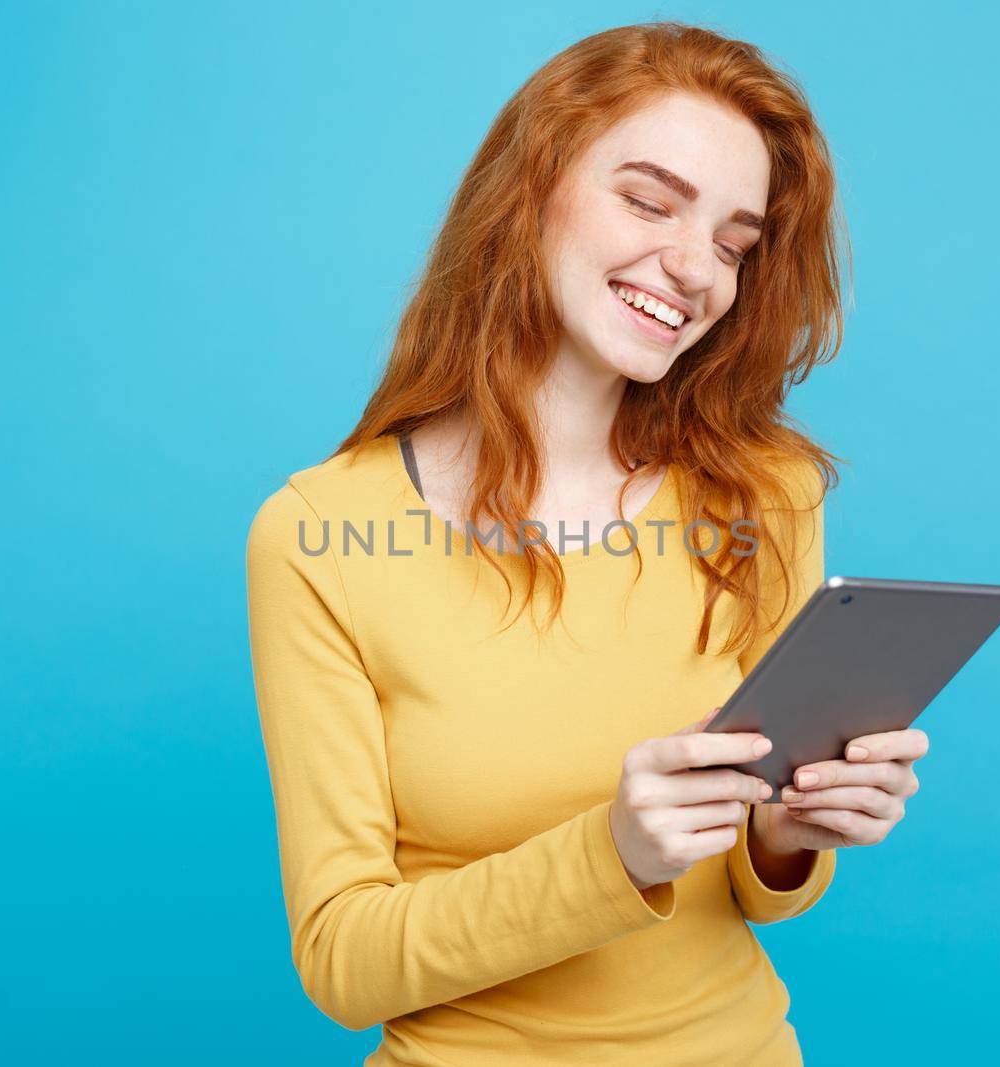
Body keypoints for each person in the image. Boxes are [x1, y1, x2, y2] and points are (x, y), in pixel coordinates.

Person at [245, 20, 928, 1066]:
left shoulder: (765, 491)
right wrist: (611, 850)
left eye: (733, 244)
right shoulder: (318, 536)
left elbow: (761, 891)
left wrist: (795, 828)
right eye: (650, 201)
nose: (691, 266)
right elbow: (343, 959)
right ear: (531, 189)